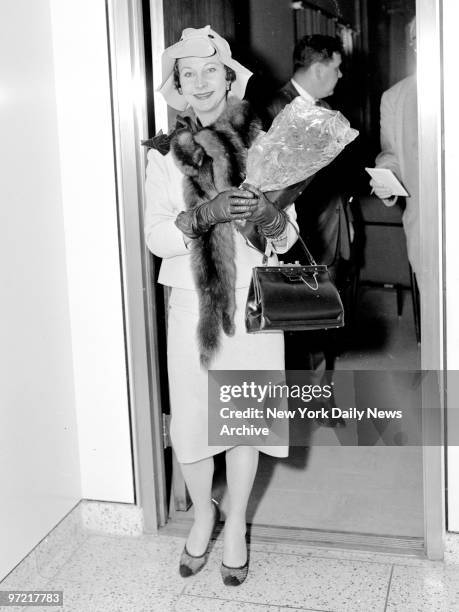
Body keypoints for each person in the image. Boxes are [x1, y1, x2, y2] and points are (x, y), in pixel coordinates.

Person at [144, 26, 298, 586]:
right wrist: (199, 218)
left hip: (251, 303)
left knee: (244, 419)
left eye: (212, 70)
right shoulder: (164, 154)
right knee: (190, 421)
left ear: (229, 78)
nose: (202, 83)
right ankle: (203, 512)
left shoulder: (265, 146)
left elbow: (287, 239)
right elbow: (156, 237)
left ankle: (235, 524)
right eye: (189, 74)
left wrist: (267, 217)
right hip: (191, 306)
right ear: (178, 85)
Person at [265, 35, 351, 425]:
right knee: (294, 320)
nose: (340, 74)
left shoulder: (328, 109)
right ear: (319, 68)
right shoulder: (271, 107)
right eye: (336, 66)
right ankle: (297, 403)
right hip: (292, 233)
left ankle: (315, 399)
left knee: (319, 318)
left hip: (327, 229)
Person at [369, 18, 420, 290]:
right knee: (435, 308)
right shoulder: (394, 97)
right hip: (423, 222)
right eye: (416, 40)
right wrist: (386, 178)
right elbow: (391, 153)